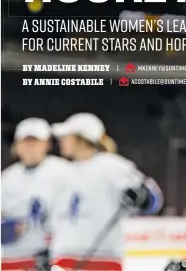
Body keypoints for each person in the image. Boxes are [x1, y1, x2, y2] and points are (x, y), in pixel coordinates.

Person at [50, 112, 163, 271]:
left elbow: (153, 201)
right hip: (63, 257)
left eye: (66, 136)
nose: (61, 141)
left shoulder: (113, 167)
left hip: (103, 258)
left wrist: (144, 197)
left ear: (82, 139)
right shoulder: (60, 171)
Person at [1, 118, 71, 271]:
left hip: (55, 256)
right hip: (14, 257)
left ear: (47, 144)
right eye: (26, 141)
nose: (30, 147)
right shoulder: (7, 178)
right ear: (17, 145)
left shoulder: (65, 172)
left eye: (35, 142)